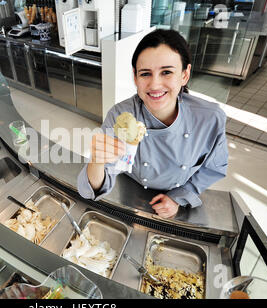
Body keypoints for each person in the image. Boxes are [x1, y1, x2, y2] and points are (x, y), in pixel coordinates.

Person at [77, 29, 228, 219]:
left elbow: (214, 167)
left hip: (177, 198)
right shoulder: (121, 115)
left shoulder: (210, 118)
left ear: (185, 74)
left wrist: (180, 197)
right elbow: (91, 188)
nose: (155, 85)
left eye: (166, 72)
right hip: (131, 193)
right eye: (145, 74)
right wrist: (97, 160)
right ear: (135, 77)